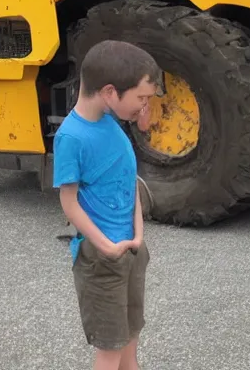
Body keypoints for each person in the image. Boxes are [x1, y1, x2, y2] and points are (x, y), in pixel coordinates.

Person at [53, 39, 160, 370]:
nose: (145, 106)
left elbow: (129, 179)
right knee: (110, 349)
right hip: (102, 259)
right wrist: (107, 247)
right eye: (141, 98)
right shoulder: (72, 137)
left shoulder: (111, 121)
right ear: (110, 92)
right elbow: (69, 203)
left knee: (130, 338)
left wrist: (138, 236)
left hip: (130, 250)